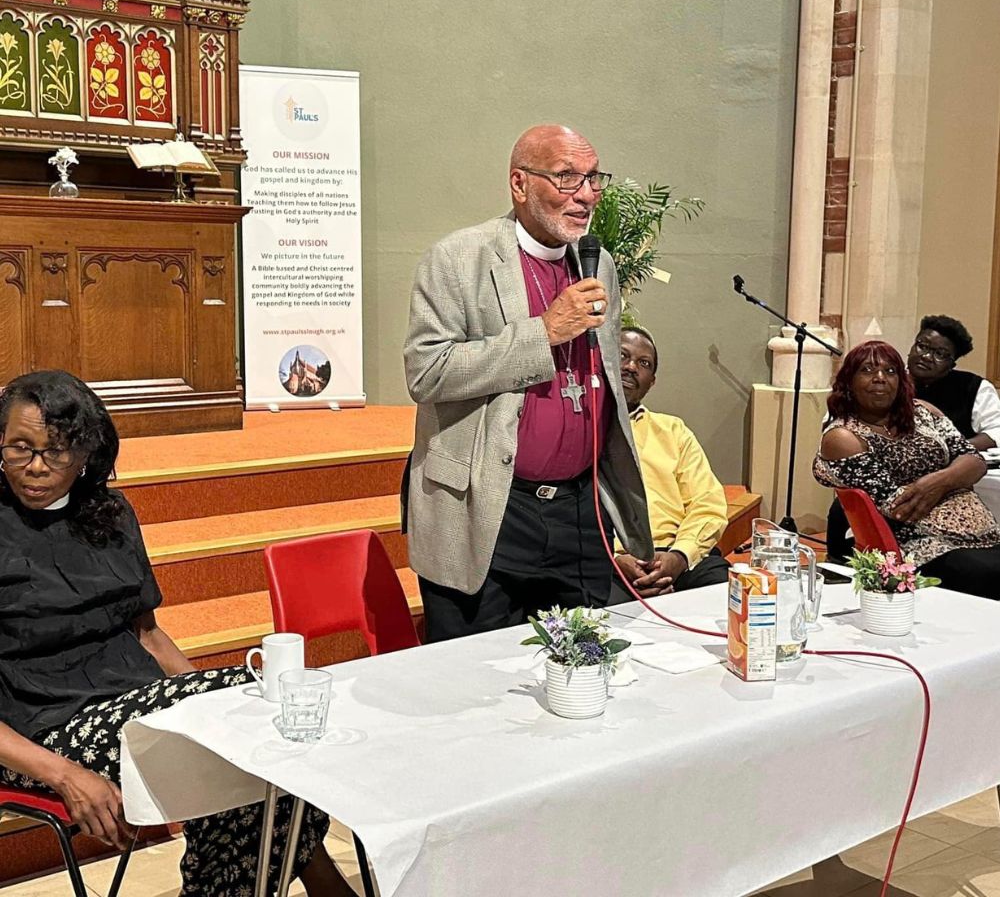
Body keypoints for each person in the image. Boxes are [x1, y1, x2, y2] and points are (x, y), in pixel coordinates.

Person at [0, 371, 350, 896]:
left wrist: (210, 708)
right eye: (18, 448)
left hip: (138, 704)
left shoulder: (109, 513)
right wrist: (65, 775)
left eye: (56, 452)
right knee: (243, 739)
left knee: (266, 721)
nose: (35, 467)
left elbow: (147, 635)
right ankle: (327, 886)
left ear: (87, 454)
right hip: (42, 731)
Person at [403, 124, 653, 641]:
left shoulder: (597, 262)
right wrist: (543, 333)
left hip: (580, 508)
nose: (585, 195)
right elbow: (427, 372)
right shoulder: (458, 258)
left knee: (583, 667)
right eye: (565, 178)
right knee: (476, 681)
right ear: (520, 184)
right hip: (491, 505)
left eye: (591, 178)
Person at [813, 341, 1000, 599]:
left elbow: (974, 461)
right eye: (867, 370)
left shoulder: (924, 412)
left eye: (890, 371)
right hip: (917, 543)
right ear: (849, 382)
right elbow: (898, 507)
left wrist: (938, 482)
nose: (880, 378)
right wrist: (956, 477)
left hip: (983, 534)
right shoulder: (843, 437)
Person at [609, 327, 729, 601]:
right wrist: (615, 559)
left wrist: (678, 557)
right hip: (609, 562)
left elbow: (708, 505)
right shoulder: (579, 431)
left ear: (651, 381)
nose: (630, 367)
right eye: (622, 356)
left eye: (644, 364)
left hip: (677, 555)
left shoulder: (673, 431)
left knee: (726, 597)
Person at [907, 314, 1000, 451]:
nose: (926, 357)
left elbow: (996, 431)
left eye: (940, 354)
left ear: (952, 365)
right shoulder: (890, 381)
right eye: (922, 346)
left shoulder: (974, 387)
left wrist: (951, 450)